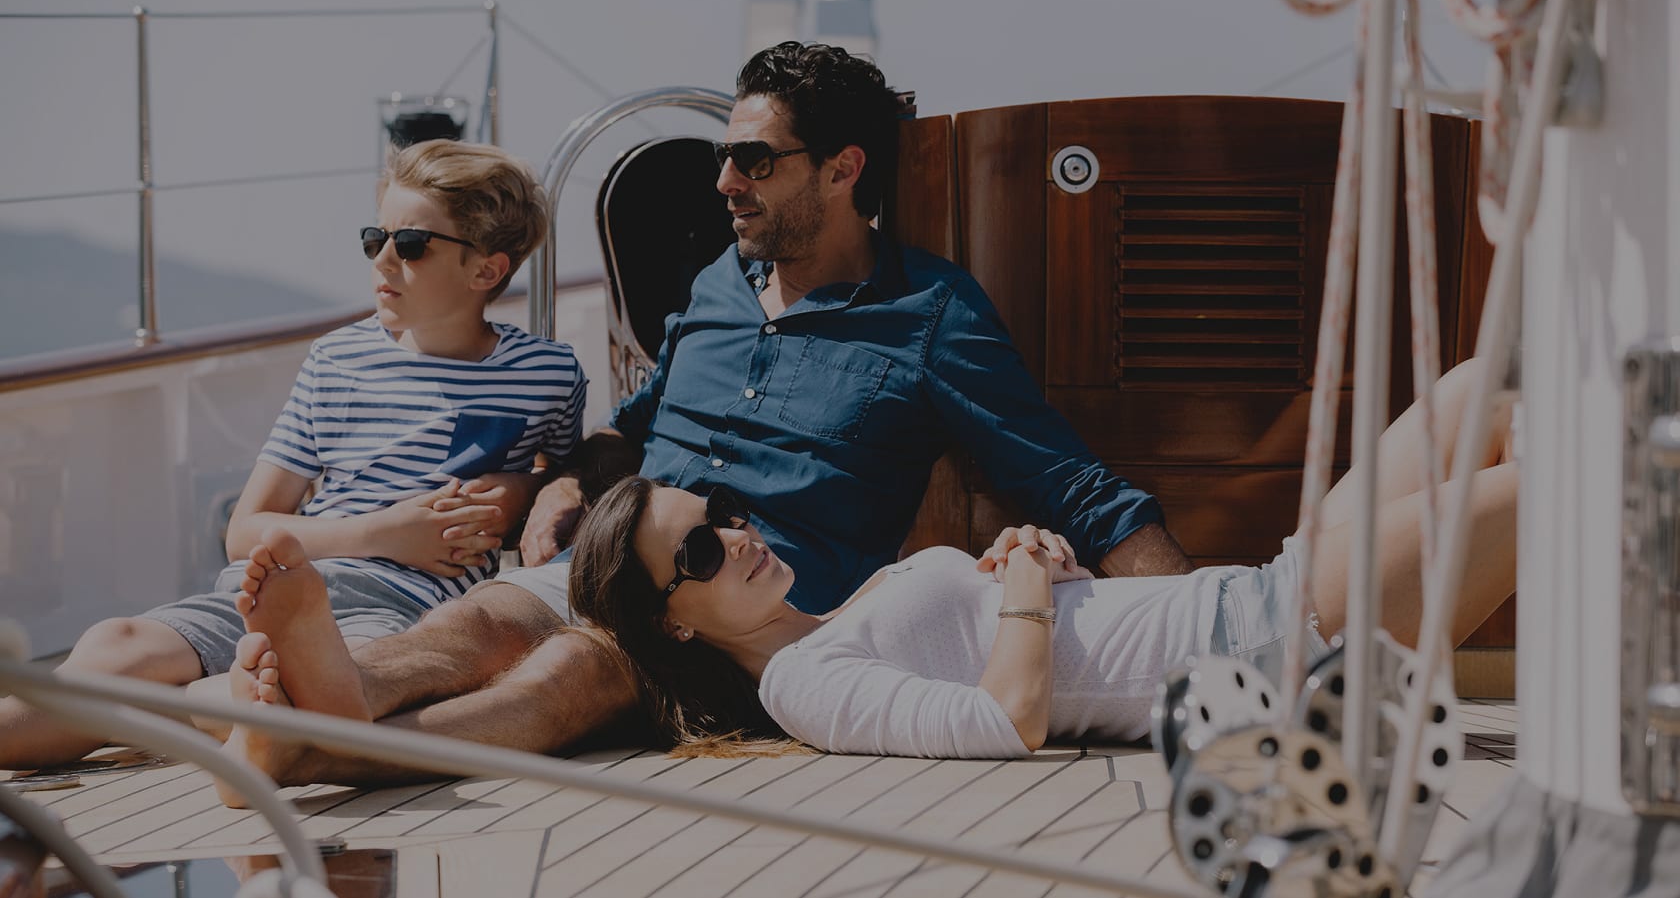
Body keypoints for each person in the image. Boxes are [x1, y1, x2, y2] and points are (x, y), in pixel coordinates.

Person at [203, 40, 1194, 791]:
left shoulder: (932, 315)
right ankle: (339, 696)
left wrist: (1185, 618)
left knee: (578, 669)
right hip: (618, 555)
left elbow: (1074, 485)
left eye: (755, 162)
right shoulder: (722, 280)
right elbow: (638, 416)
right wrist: (565, 477)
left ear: (843, 170)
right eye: (726, 158)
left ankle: (318, 741)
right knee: (484, 618)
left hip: (735, 616)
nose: (724, 183)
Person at [559, 359, 1517, 757]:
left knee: (1486, 399)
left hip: (1253, 592)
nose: (734, 532)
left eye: (720, 510)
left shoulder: (838, 616)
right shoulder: (801, 688)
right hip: (1263, 654)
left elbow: (1065, 645)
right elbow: (1009, 719)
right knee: (1552, 487)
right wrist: (1020, 577)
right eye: (698, 546)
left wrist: (1038, 562)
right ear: (672, 618)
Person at [0, 139, 584, 773]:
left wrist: (523, 493)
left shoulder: (546, 373)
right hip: (277, 585)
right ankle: (215, 710)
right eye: (374, 238)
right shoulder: (337, 361)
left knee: (328, 689)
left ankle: (208, 708)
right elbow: (245, 532)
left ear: (486, 272)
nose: (384, 259)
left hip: (403, 614)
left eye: (412, 245)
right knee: (116, 644)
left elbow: (567, 490)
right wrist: (387, 532)